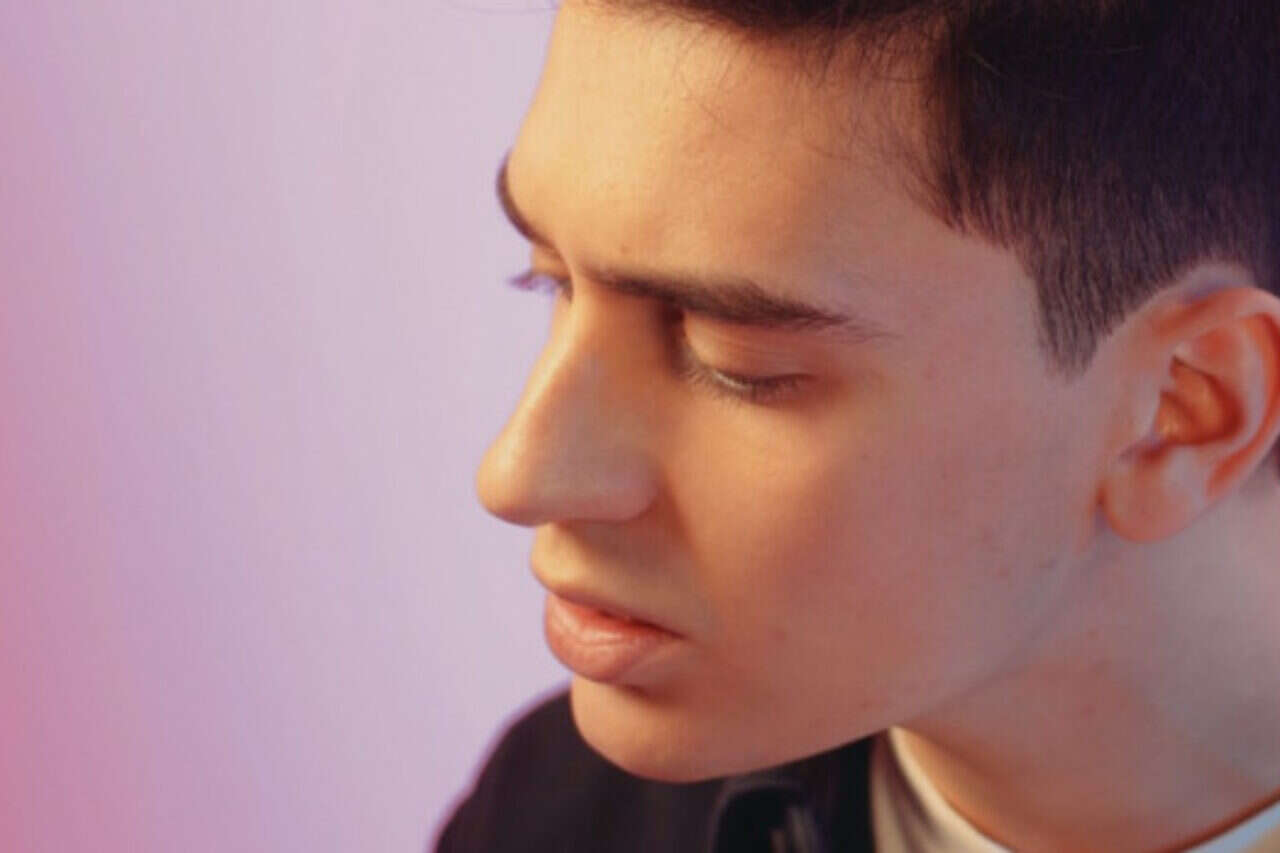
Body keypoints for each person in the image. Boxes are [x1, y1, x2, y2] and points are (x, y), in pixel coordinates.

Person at [436, 0, 1280, 849]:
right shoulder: (554, 812)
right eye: (551, 279)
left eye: (736, 362)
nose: (518, 475)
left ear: (1186, 412)